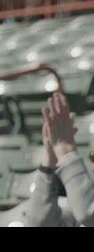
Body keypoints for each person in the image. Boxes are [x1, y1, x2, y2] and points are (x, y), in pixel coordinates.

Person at [27, 92, 94, 227]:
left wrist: (66, 152)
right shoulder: (80, 202)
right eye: (92, 157)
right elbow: (39, 224)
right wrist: (49, 164)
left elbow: (89, 215)